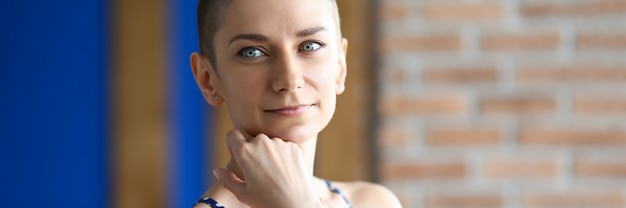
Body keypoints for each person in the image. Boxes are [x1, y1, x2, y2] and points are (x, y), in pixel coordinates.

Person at [190, 0, 403, 207]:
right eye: (252, 52)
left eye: (310, 46)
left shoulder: (375, 202)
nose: (290, 80)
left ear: (340, 66)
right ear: (208, 79)